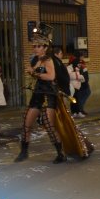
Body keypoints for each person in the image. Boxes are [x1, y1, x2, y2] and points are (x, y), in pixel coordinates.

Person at [15, 24, 93, 163]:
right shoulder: (35, 59)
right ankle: (24, 151)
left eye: (38, 46)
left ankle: (60, 153)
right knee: (26, 124)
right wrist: (33, 74)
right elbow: (38, 75)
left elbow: (51, 77)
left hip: (48, 95)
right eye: (34, 46)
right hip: (37, 94)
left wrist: (33, 72)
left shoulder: (49, 60)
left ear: (45, 47)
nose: (35, 48)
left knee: (50, 126)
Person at [71, 51, 91, 117]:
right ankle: (79, 109)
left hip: (83, 81)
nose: (83, 57)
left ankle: (80, 109)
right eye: (82, 56)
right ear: (79, 56)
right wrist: (83, 78)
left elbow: (84, 71)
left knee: (84, 94)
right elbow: (77, 73)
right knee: (82, 95)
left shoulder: (81, 62)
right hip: (80, 82)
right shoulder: (76, 63)